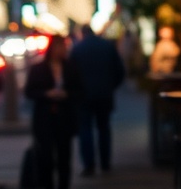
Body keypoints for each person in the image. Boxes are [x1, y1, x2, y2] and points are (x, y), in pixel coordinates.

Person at [25, 35, 81, 189]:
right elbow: (29, 91)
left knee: (64, 157)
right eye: (57, 47)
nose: (60, 50)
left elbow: (80, 90)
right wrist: (46, 94)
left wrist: (67, 94)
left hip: (64, 118)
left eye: (62, 47)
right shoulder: (39, 68)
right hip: (45, 118)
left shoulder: (70, 67)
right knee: (45, 158)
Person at [69, 24, 126, 177]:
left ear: (82, 34)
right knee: (104, 128)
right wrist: (110, 86)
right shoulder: (107, 46)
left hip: (84, 96)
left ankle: (89, 165)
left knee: (85, 129)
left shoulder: (77, 49)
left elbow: (71, 75)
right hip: (104, 95)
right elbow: (120, 71)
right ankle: (105, 163)